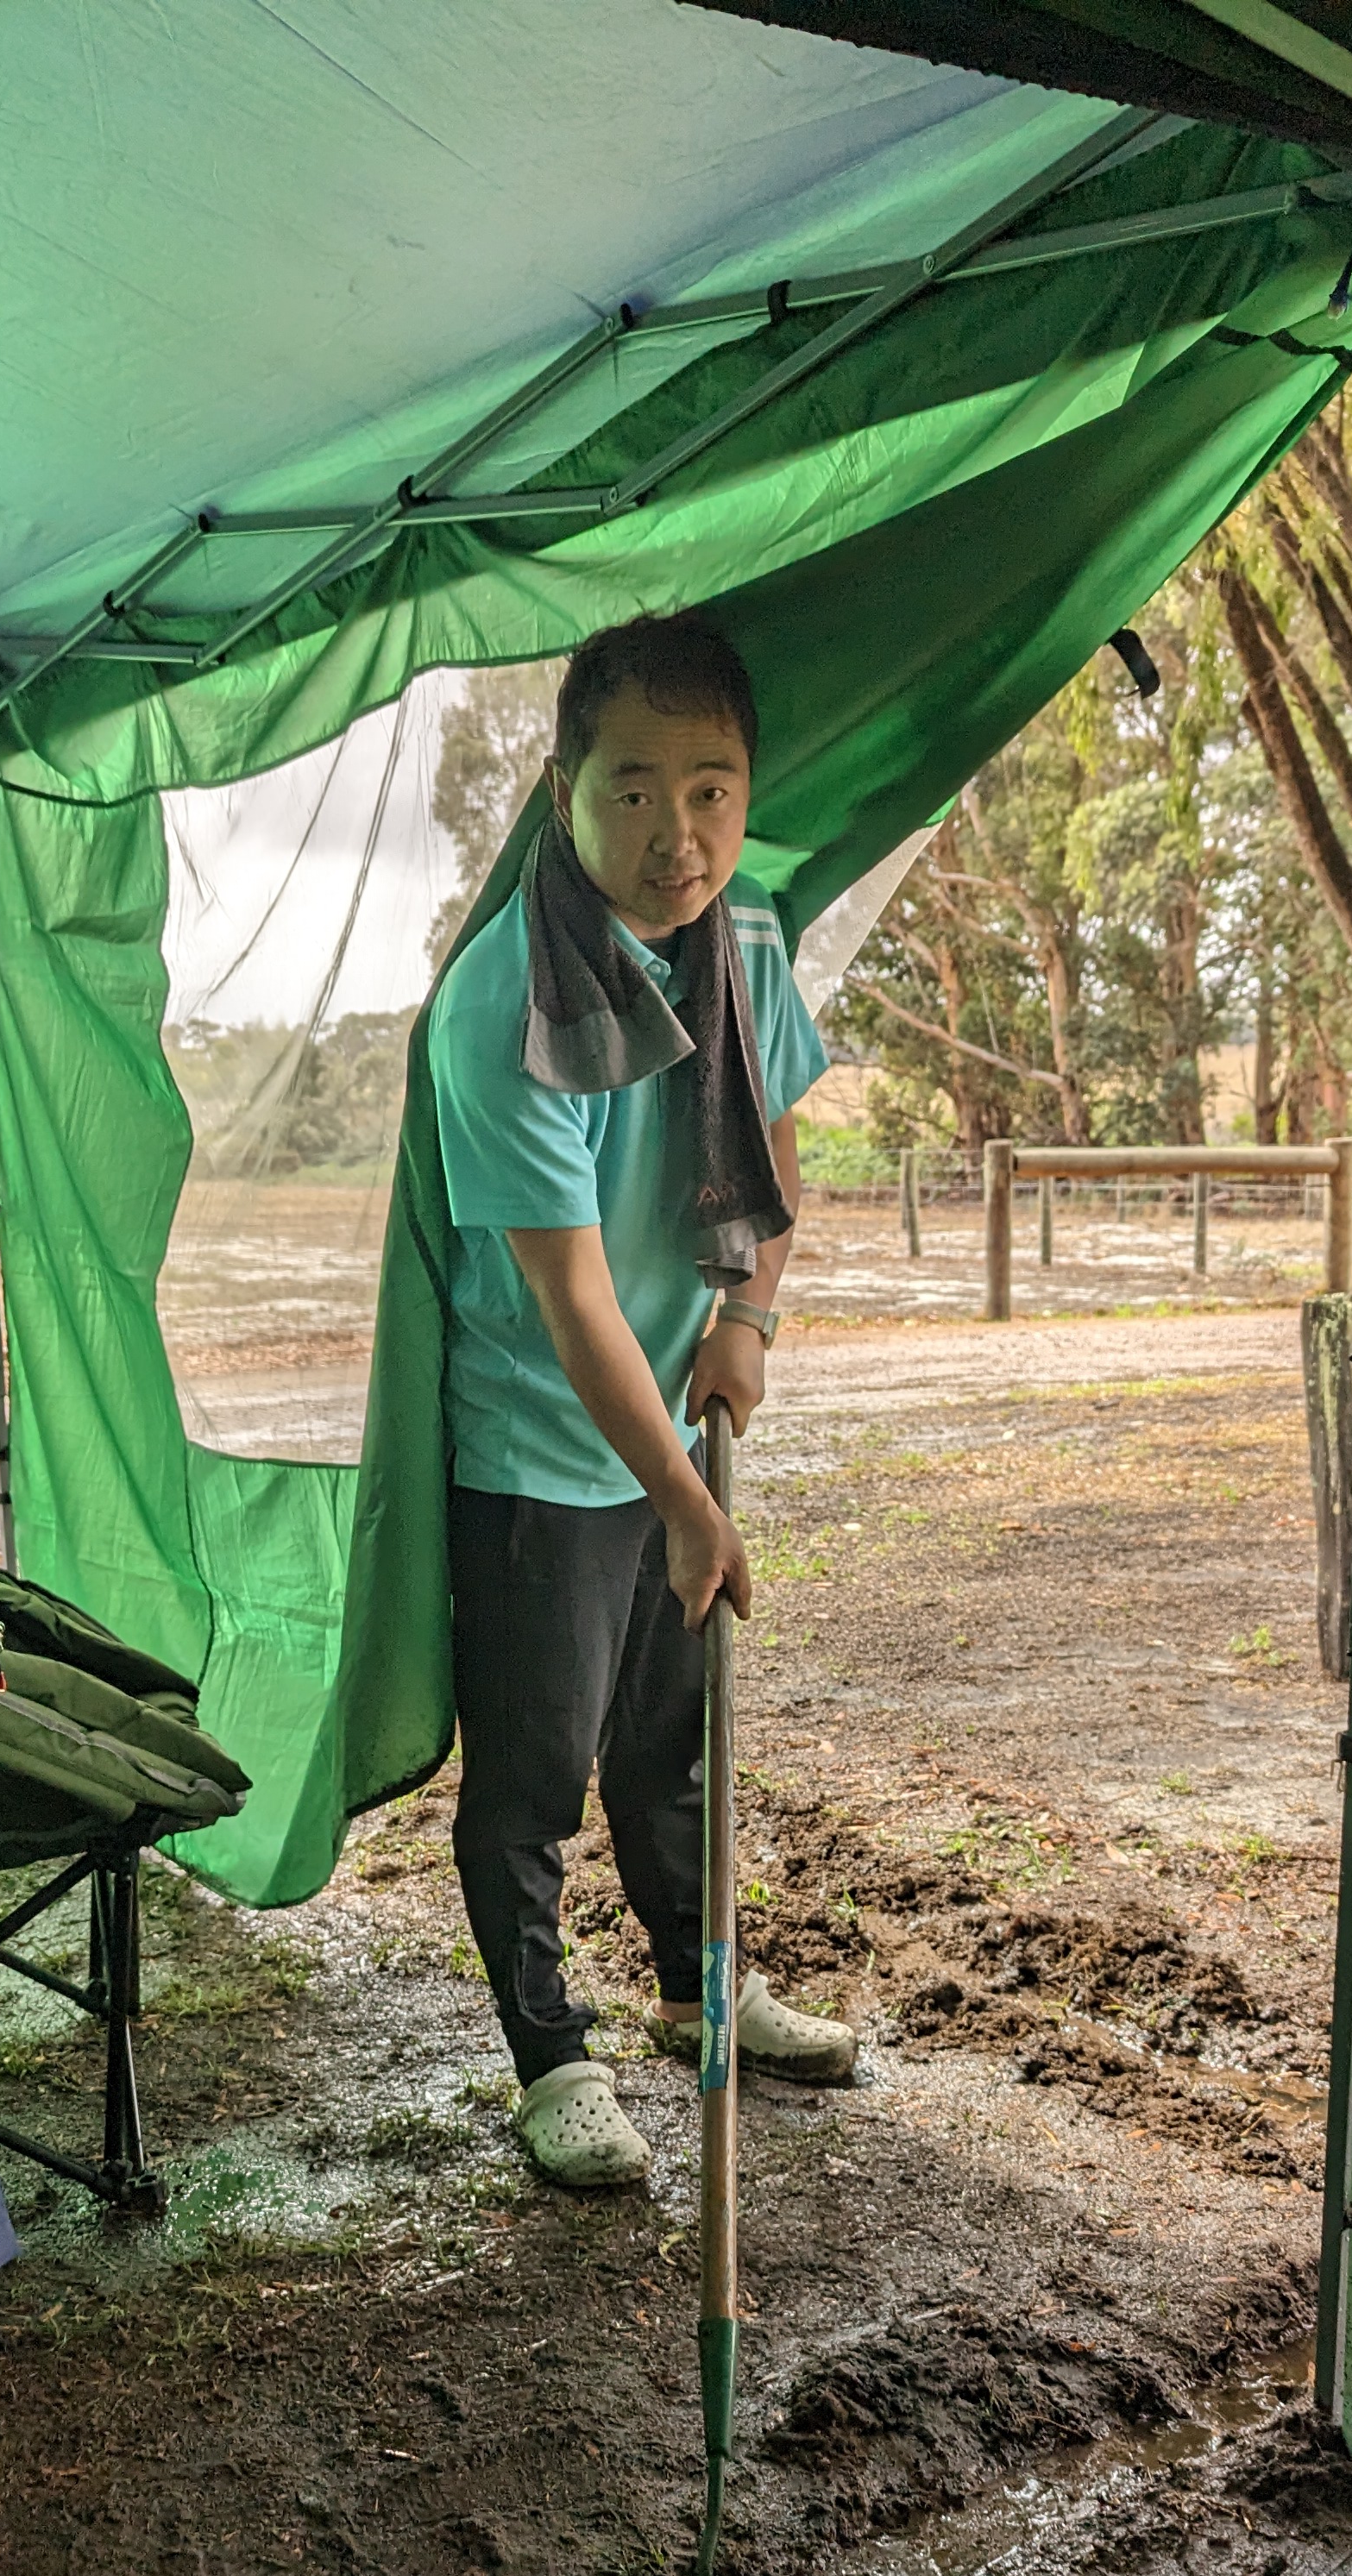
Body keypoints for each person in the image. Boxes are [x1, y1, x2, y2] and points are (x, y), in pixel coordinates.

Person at [429, 610, 858, 2186]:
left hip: (679, 1412)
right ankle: (551, 2058)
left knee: (675, 1744)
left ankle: (701, 1994)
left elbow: (776, 1130)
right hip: (540, 1446)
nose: (676, 836)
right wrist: (681, 1502)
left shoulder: (747, 937)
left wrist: (748, 1318)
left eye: (709, 792)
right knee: (535, 1774)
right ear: (563, 793)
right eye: (630, 791)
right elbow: (574, 1300)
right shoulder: (503, 1004)